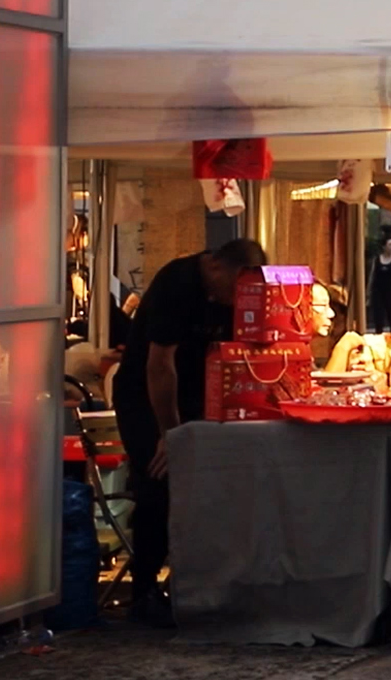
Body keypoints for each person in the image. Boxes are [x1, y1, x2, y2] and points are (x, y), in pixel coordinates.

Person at [110, 238, 267, 626]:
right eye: (232, 290)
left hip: (201, 396)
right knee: (159, 484)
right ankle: (144, 590)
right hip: (147, 399)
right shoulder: (176, 284)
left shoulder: (232, 293)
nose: (233, 301)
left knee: (207, 487)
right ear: (214, 267)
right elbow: (159, 367)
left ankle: (198, 585)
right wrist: (170, 433)